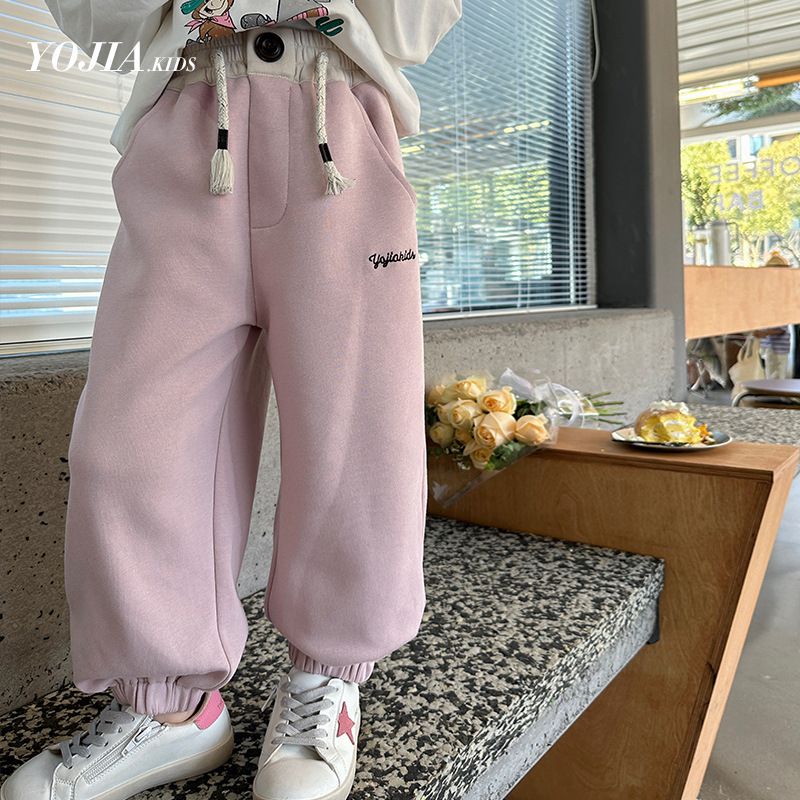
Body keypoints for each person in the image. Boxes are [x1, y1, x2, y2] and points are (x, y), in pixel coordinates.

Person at [1, 2, 462, 800]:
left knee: (359, 433)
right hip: (188, 126)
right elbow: (101, 23)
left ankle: (327, 681)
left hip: (339, 129)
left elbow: (415, 22)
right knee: (129, 444)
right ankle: (168, 708)